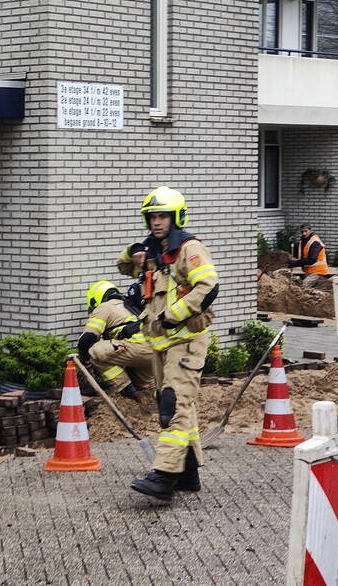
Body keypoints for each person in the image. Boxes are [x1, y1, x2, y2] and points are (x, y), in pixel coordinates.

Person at [116, 186, 218, 501]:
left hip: (186, 340)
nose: (157, 222)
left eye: (163, 216)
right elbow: (123, 267)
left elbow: (208, 285)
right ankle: (188, 474)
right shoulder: (153, 252)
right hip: (161, 344)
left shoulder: (189, 248)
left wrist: (174, 315)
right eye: (152, 217)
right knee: (174, 405)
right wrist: (135, 250)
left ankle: (164, 475)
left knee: (173, 405)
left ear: (176, 218)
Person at [77, 280, 156, 398]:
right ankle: (147, 401)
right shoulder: (128, 305)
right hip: (153, 350)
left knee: (94, 352)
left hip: (137, 348)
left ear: (95, 299)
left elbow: (86, 339)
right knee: (142, 387)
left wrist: (84, 360)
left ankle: (126, 390)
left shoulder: (104, 307)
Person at [287, 223, 328, 288]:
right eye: (302, 232)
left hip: (318, 270)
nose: (304, 233)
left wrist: (295, 263)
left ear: (310, 230)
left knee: (304, 286)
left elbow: (312, 260)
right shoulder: (304, 241)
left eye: (306, 231)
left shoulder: (315, 242)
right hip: (309, 270)